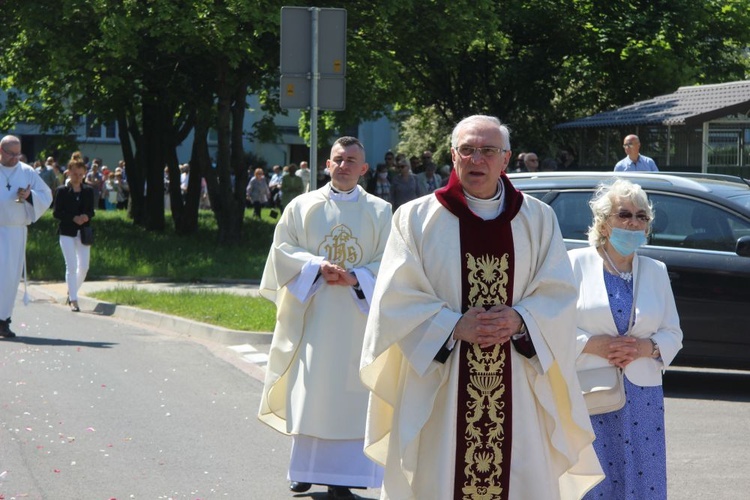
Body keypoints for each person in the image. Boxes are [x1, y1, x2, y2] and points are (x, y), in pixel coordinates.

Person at [360, 115, 602, 499]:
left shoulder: (537, 218)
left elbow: (559, 293)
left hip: (517, 379)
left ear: (505, 159)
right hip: (445, 379)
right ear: (453, 156)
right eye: (467, 150)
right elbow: (396, 298)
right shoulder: (416, 218)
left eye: (488, 151)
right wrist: (452, 326)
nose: (477, 160)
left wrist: (521, 319)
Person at [258, 136, 392, 499]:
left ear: (364, 168)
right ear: (327, 164)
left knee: (352, 394)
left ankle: (343, 477)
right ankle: (304, 470)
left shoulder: (382, 212)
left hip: (359, 319)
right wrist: (316, 267)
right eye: (338, 159)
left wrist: (358, 277)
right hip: (315, 315)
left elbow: (394, 263)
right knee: (311, 392)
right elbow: (282, 251)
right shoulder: (302, 207)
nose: (344, 165)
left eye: (352, 160)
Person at [568, 178, 682, 499]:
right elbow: (551, 329)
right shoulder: (575, 265)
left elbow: (673, 332)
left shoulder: (656, 271)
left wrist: (647, 347)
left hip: (643, 399)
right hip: (591, 393)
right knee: (594, 481)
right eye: (624, 214)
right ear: (604, 223)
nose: (633, 222)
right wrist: (595, 345)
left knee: (643, 479)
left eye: (641, 216)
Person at [0, 135, 53, 337]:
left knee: (9, 277)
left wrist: (30, 196)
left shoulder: (27, 171)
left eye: (18, 154)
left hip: (14, 231)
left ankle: (3, 320)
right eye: (11, 154)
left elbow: (46, 195)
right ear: (1, 151)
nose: (15, 158)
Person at [53, 153, 95, 313]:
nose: (78, 177)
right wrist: (73, 218)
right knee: (71, 266)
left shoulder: (88, 191)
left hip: (83, 231)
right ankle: (74, 300)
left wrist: (85, 216)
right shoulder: (62, 191)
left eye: (81, 174)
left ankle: (72, 290)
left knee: (84, 266)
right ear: (69, 172)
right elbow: (57, 213)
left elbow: (91, 211)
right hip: (67, 232)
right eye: (75, 174)